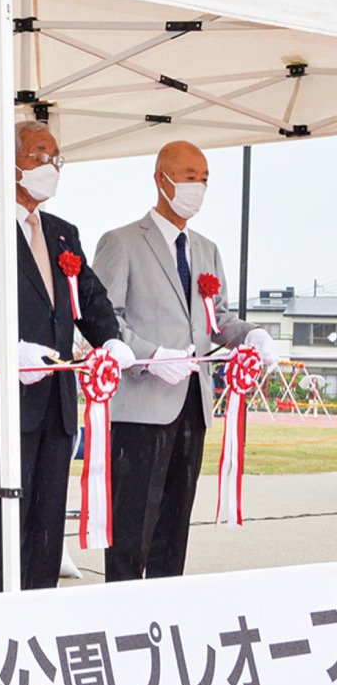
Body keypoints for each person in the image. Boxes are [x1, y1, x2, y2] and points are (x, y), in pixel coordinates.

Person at [0, 120, 133, 596]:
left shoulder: (63, 233)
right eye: (38, 156)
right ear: (9, 162)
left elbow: (88, 296)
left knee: (45, 531)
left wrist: (110, 340)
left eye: (56, 158)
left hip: (55, 407)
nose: (51, 166)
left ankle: (38, 625)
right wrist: (10, 352)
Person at [93, 140, 276, 581]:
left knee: (173, 531)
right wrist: (150, 355)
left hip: (193, 405)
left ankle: (164, 614)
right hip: (141, 408)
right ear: (163, 179)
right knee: (132, 527)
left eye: (205, 179)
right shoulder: (121, 243)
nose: (198, 187)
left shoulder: (206, 249)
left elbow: (218, 319)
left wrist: (252, 333)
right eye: (190, 177)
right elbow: (103, 322)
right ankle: (120, 617)